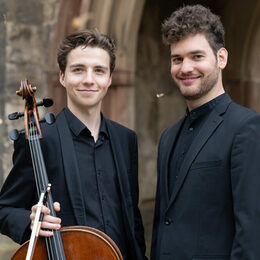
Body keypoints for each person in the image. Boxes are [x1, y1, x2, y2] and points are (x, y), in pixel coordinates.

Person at [0, 29, 147, 260]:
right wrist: (29, 221)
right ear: (62, 77)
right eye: (78, 70)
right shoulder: (41, 140)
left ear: (109, 79)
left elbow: (131, 217)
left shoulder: (125, 139)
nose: (89, 79)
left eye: (99, 71)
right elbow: (4, 210)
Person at [151, 4, 260, 260]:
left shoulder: (247, 128)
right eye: (177, 59)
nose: (185, 68)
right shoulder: (168, 137)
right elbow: (162, 224)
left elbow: (252, 233)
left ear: (221, 58)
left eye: (197, 56)